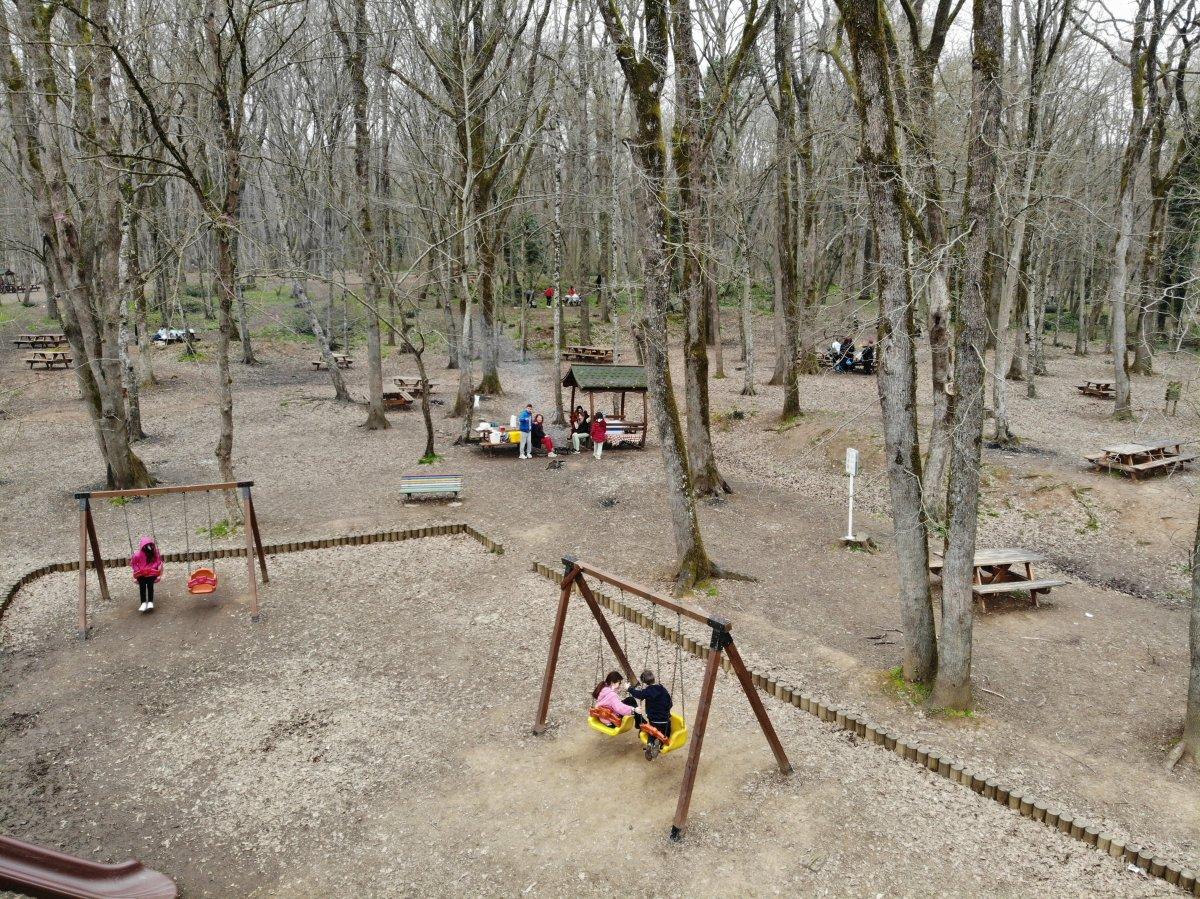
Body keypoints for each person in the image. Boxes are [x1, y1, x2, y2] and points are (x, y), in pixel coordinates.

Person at [627, 669, 673, 759]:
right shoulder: (663, 689)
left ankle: (649, 744)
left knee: (652, 732)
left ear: (644, 682)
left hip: (653, 721)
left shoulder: (647, 692)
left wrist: (629, 689)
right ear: (654, 679)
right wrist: (666, 710)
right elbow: (670, 703)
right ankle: (659, 743)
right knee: (666, 734)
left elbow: (638, 694)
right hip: (665, 720)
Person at [130, 536, 163, 614]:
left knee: (150, 586)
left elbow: (158, 562)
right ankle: (143, 603)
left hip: (151, 573)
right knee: (142, 587)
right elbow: (134, 563)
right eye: (146, 546)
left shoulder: (154, 553)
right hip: (141, 574)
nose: (149, 548)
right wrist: (138, 570)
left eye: (150, 545)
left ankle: (150, 602)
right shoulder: (137, 555)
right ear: (142, 547)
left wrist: (153, 568)